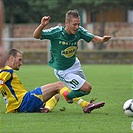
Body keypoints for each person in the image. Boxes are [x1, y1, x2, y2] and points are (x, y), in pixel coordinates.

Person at [33, 9, 111, 113]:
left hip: (75, 64)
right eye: (74, 24)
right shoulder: (56, 32)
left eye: (78, 24)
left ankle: (68, 96)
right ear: (67, 23)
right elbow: (36, 36)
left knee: (85, 90)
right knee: (87, 88)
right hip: (63, 70)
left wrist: (101, 40)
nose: (77, 27)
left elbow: (92, 38)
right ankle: (68, 96)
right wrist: (42, 25)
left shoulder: (79, 31)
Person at [0, 48, 65, 113]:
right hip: (25, 101)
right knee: (59, 85)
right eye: (19, 60)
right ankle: (74, 98)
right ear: (11, 58)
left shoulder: (4, 71)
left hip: (18, 105)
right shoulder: (7, 71)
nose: (21, 63)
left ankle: (46, 108)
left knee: (55, 95)